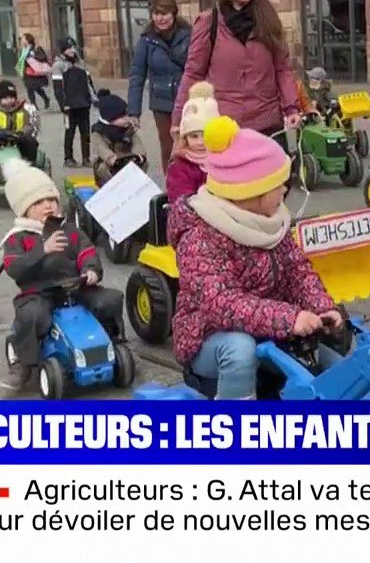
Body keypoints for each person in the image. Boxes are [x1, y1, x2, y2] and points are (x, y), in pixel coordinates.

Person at [169, 115, 343, 399]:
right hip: (211, 338)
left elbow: (298, 271)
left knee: (334, 363)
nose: (286, 190)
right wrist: (288, 318)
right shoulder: (200, 236)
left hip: (268, 326)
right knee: (240, 349)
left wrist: (321, 307)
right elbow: (221, 303)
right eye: (279, 185)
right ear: (251, 191)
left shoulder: (272, 220)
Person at [0, 158, 123, 391]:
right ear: (25, 209)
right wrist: (41, 250)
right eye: (39, 202)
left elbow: (86, 250)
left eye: (52, 200)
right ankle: (25, 364)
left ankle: (113, 343)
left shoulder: (68, 230)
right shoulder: (18, 237)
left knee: (109, 299)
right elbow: (15, 267)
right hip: (38, 292)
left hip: (75, 287)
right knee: (31, 315)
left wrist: (91, 270)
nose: (48, 206)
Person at [171, 0, 301, 149]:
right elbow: (193, 73)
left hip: (267, 123)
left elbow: (282, 69)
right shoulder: (209, 22)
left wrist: (292, 107)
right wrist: (179, 118)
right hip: (225, 125)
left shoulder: (268, 20)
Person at [128, 0, 191, 171]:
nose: (160, 18)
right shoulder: (146, 39)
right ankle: (172, 187)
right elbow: (137, 74)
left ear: (173, 13)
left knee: (192, 143)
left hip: (186, 99)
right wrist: (134, 111)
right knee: (168, 148)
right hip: (161, 102)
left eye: (164, 13)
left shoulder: (188, 34)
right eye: (156, 14)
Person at [165, 81, 218, 202]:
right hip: (193, 215)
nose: (200, 142)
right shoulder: (180, 167)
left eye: (205, 135)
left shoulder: (225, 160)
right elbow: (181, 199)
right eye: (194, 136)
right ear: (185, 138)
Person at [52, 38, 96, 168]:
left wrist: (92, 97)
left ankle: (86, 158)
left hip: (83, 103)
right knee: (69, 132)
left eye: (73, 47)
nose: (72, 50)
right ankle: (68, 158)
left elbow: (88, 82)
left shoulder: (81, 63)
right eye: (68, 48)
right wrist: (63, 104)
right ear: (62, 50)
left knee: (85, 133)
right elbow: (58, 88)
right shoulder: (59, 65)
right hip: (69, 105)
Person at [91, 89, 147, 187]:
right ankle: (110, 187)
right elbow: (101, 147)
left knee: (144, 163)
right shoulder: (99, 132)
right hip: (109, 161)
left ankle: (136, 185)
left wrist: (139, 155)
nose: (126, 119)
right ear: (110, 119)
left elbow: (136, 142)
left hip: (127, 158)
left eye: (127, 115)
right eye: (122, 117)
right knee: (104, 169)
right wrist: (110, 157)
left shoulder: (128, 130)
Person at [0, 80, 41, 164]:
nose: (9, 101)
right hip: (1, 139)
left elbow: (28, 125)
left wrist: (22, 132)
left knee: (30, 142)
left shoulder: (23, 110)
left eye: (11, 98)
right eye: (5, 98)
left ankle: (30, 164)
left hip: (18, 138)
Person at [16, 33, 52, 110]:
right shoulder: (23, 50)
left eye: (23, 39)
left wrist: (33, 56)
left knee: (36, 87)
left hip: (35, 72)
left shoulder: (36, 48)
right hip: (27, 72)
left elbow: (43, 57)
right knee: (29, 88)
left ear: (28, 40)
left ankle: (46, 98)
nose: (22, 41)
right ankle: (34, 104)